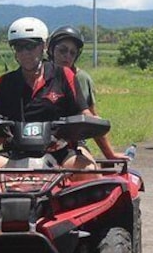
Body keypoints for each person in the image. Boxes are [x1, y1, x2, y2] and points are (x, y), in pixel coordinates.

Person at [0, 17, 99, 175]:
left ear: (43, 46)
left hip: (58, 152)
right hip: (15, 153)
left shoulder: (63, 75)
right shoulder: (3, 84)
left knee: (89, 170)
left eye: (30, 46)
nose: (25, 53)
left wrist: (93, 122)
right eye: (19, 47)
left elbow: (83, 111)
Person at [47, 25, 126, 162]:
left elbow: (90, 116)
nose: (67, 56)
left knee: (89, 172)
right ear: (51, 50)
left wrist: (110, 154)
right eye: (62, 51)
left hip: (72, 143)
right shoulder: (38, 75)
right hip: (36, 141)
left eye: (73, 53)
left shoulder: (80, 78)